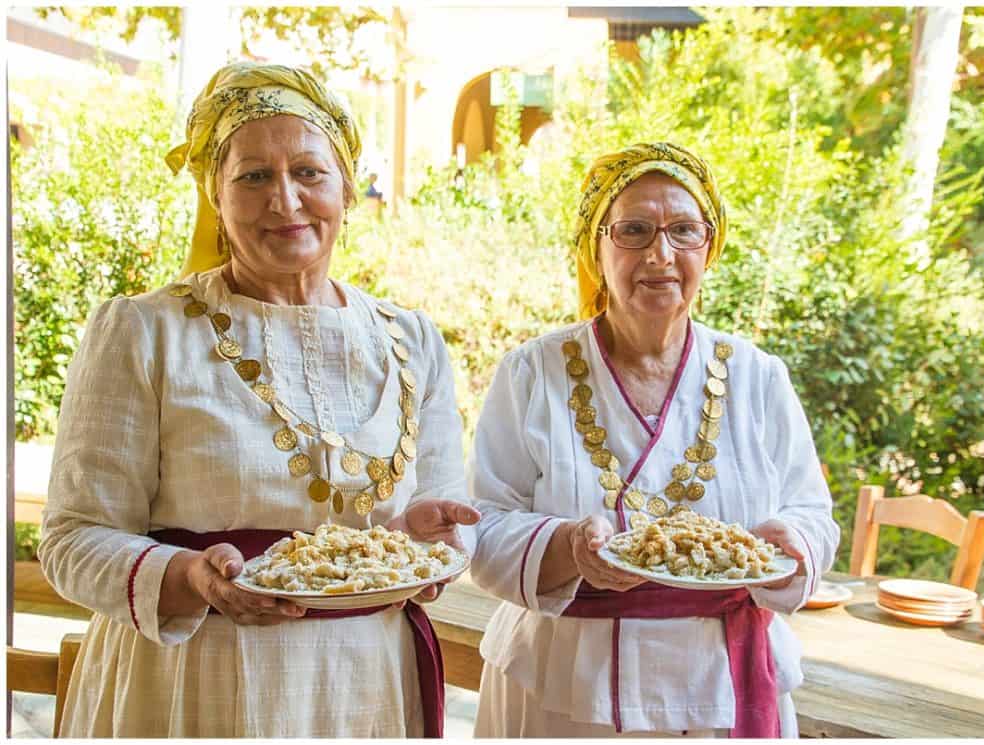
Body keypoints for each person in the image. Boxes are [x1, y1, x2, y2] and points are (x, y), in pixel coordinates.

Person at [38, 62, 478, 738]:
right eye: (253, 176)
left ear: (347, 188)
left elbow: (446, 518)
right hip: (193, 685)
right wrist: (188, 576)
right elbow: (70, 540)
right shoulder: (143, 330)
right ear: (214, 193)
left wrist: (432, 536)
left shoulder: (412, 339)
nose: (286, 200)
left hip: (367, 691)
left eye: (308, 171)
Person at [467, 142, 839, 737]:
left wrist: (788, 547)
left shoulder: (756, 376)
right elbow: (481, 524)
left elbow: (813, 513)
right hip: (563, 685)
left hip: (718, 682)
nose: (660, 255)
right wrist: (566, 546)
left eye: (684, 231)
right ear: (597, 247)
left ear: (709, 247)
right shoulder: (533, 372)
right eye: (634, 231)